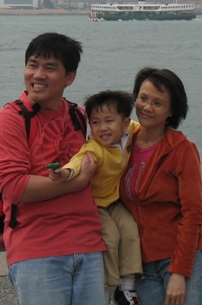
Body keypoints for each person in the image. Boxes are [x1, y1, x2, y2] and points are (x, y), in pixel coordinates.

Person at [0, 32, 106, 305]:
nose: (38, 75)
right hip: (37, 251)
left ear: (70, 78)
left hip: (89, 245)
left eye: (50, 68)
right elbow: (15, 188)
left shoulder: (79, 116)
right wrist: (76, 182)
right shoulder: (9, 121)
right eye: (32, 65)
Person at [120, 68, 202, 305]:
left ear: (171, 111)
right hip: (141, 266)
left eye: (157, 103)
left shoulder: (182, 150)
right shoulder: (123, 143)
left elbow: (193, 214)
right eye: (143, 98)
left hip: (178, 260)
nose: (147, 107)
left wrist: (179, 273)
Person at [50, 90, 143, 305]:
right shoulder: (94, 148)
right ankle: (109, 291)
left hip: (114, 201)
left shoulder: (131, 131)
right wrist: (63, 173)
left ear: (125, 122)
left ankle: (128, 289)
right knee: (110, 239)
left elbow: (147, 129)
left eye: (109, 121)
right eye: (95, 122)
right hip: (95, 205)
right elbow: (76, 161)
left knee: (130, 232)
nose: (102, 128)